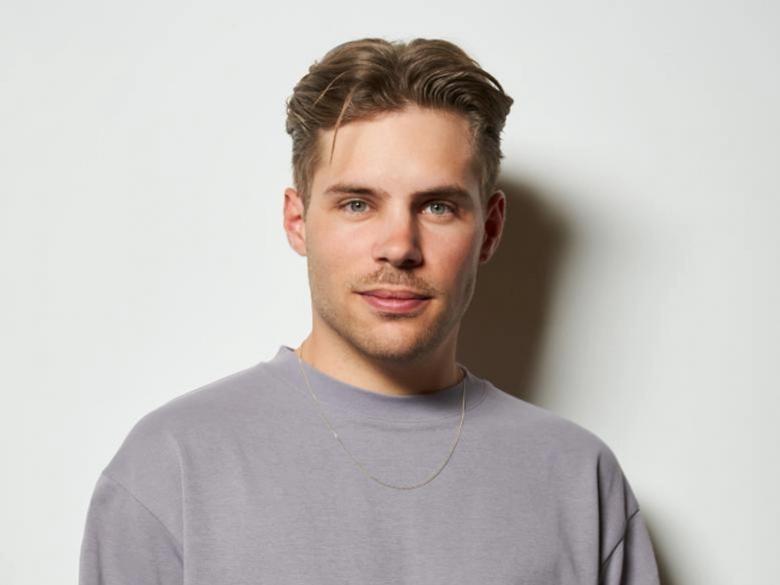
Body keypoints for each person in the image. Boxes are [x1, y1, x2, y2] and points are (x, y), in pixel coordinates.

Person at [79, 37, 661, 584]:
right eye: (358, 204)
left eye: (437, 207)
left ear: (489, 230)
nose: (399, 247)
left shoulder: (579, 480)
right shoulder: (172, 466)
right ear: (297, 221)